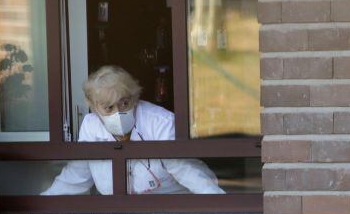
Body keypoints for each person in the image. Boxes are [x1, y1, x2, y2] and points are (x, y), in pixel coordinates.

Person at [42, 66, 225, 195]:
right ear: (94, 108)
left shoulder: (160, 122)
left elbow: (186, 171)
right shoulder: (90, 127)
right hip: (122, 213)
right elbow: (76, 176)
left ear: (135, 98)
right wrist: (43, 205)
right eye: (108, 107)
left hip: (174, 207)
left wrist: (221, 205)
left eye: (124, 103)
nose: (118, 112)